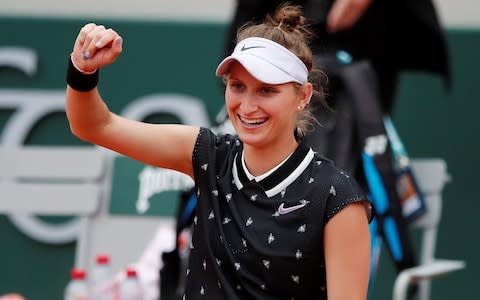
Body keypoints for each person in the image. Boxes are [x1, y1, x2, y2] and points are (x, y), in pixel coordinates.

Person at [65, 4, 372, 299]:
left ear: (303, 96)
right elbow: (94, 126)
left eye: (267, 90)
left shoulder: (337, 197)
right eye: (237, 86)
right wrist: (82, 68)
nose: (248, 106)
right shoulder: (208, 155)